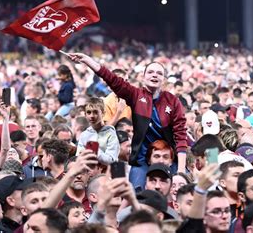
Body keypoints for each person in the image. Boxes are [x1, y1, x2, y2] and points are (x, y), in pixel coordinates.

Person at [67, 53, 187, 189]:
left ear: (163, 79)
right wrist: (88, 61)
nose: (154, 75)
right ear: (143, 77)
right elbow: (112, 79)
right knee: (135, 195)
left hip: (168, 159)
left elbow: (180, 135)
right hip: (141, 160)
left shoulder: (173, 101)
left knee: (181, 192)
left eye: (159, 73)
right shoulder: (136, 95)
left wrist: (181, 170)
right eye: (151, 72)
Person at [76, 97, 119, 165]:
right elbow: (78, 158)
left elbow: (112, 160)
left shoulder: (111, 133)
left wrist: (93, 151)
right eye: (89, 112)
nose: (92, 116)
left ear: (103, 113)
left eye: (95, 112)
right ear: (85, 114)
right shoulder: (84, 135)